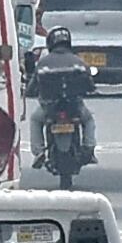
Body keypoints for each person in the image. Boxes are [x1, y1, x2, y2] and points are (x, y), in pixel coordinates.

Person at [28, 27, 98, 164]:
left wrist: (29, 92)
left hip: (49, 108)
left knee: (35, 120)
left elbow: (32, 87)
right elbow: (89, 84)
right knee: (88, 120)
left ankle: (39, 152)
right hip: (74, 106)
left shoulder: (43, 63)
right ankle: (89, 148)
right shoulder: (79, 62)